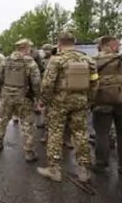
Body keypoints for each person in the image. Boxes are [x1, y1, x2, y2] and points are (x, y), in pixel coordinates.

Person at [37, 32, 99, 183]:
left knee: (55, 133)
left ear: (59, 43)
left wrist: (43, 101)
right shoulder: (88, 59)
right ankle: (84, 171)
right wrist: (88, 100)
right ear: (75, 42)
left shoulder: (56, 60)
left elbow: (47, 83)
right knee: (80, 134)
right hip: (80, 102)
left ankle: (54, 170)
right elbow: (95, 83)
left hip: (59, 102)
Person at [0, 39, 41, 162]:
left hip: (7, 97)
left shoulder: (6, 60)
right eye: (29, 47)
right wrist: (37, 97)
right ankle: (29, 152)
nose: (30, 50)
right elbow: (36, 82)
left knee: (2, 121)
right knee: (27, 124)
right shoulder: (30, 62)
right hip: (24, 98)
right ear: (25, 47)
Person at [92, 36, 122, 175]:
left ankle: (101, 164)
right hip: (120, 101)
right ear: (113, 45)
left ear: (101, 45)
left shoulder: (94, 61)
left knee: (102, 134)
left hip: (101, 102)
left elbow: (90, 83)